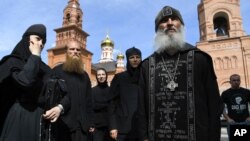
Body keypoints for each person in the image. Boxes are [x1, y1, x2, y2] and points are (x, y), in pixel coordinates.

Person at [137, 6, 222, 141]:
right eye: (164, 21)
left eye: (174, 19)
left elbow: (214, 105)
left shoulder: (200, 58)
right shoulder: (147, 66)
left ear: (181, 25)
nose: (170, 23)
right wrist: (144, 137)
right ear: (157, 29)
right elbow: (141, 108)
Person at [0, 24, 51, 141]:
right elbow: (25, 81)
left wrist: (59, 107)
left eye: (43, 41)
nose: (41, 44)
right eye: (37, 39)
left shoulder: (46, 69)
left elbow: (60, 92)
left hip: (39, 121)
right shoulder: (12, 62)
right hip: (18, 118)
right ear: (27, 39)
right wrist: (35, 56)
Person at [50, 40, 94, 141]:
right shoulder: (57, 71)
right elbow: (52, 98)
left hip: (82, 127)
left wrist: (90, 121)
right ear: (66, 52)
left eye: (78, 50)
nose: (75, 52)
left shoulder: (85, 75)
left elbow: (89, 100)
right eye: (72, 49)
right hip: (64, 125)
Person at [109, 47, 142, 141]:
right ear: (127, 59)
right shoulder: (119, 78)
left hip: (142, 128)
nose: (135, 59)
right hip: (123, 127)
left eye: (137, 57)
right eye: (132, 57)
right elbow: (112, 103)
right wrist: (113, 126)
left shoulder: (145, 77)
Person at [221, 74, 250, 139]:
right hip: (233, 122)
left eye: (238, 80)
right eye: (234, 80)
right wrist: (228, 118)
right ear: (230, 82)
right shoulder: (225, 93)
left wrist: (249, 117)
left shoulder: (247, 92)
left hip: (245, 122)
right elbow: (221, 107)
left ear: (240, 81)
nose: (236, 82)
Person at [92, 68, 111, 141]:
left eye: (103, 74)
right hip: (97, 127)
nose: (101, 76)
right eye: (99, 75)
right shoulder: (92, 91)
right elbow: (91, 107)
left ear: (106, 76)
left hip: (110, 126)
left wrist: (99, 105)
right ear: (96, 77)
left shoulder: (111, 90)